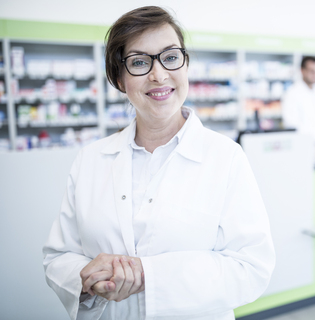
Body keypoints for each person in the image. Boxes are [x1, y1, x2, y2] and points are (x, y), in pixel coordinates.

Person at [43, 6, 275, 320]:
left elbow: (251, 267)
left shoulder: (226, 157)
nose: (159, 74)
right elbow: (58, 256)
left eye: (170, 57)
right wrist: (85, 277)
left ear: (186, 65)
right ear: (119, 78)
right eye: (139, 62)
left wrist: (147, 275)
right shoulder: (91, 160)